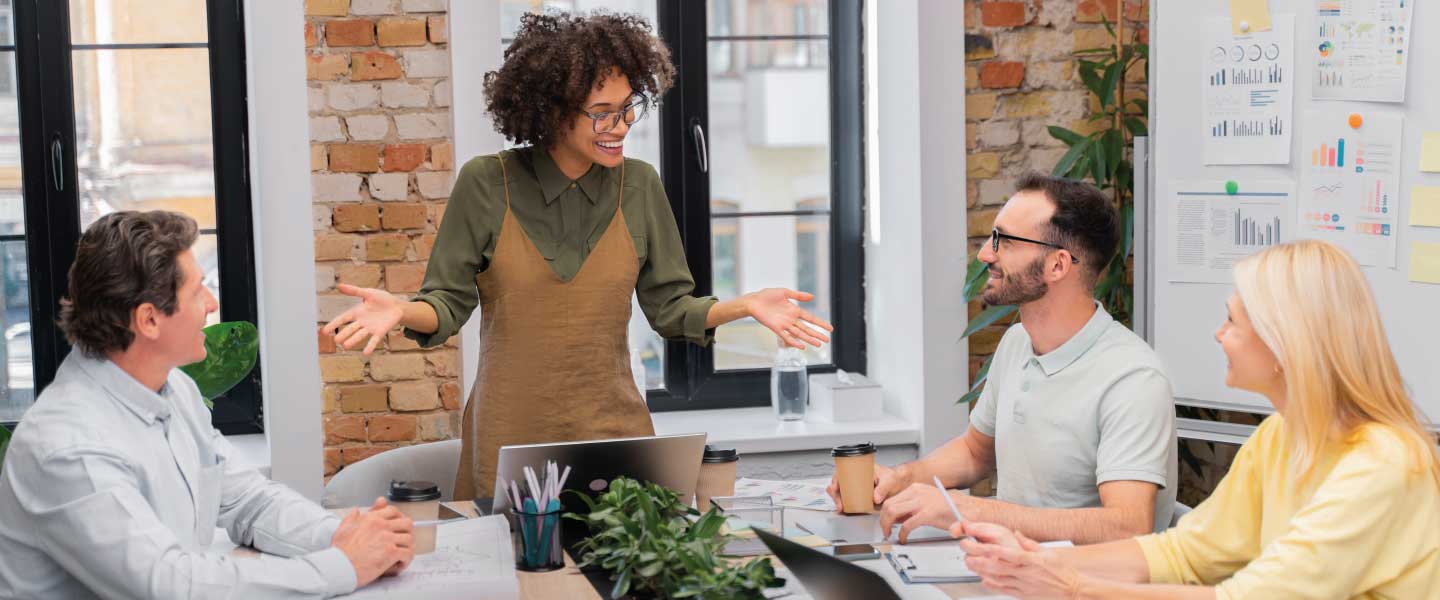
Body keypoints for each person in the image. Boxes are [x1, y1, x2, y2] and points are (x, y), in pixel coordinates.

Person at [320, 12, 832, 500]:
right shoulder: (487, 183)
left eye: (629, 107)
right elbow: (446, 304)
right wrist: (400, 309)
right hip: (508, 437)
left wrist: (745, 305)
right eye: (602, 113)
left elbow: (673, 311)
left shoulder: (640, 187)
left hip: (615, 433)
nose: (622, 126)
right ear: (553, 110)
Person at [957, 240, 1440, 599]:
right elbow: (1185, 553)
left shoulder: (1385, 465)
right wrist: (1036, 560)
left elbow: (1251, 598)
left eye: (1232, 322)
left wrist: (1073, 586)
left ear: (1283, 344)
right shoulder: (1281, 436)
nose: (1218, 334)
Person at [0, 211, 414, 598]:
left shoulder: (173, 389)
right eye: (198, 290)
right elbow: (171, 585)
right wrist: (343, 564)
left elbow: (247, 499)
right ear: (149, 319)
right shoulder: (66, 447)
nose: (213, 304)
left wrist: (350, 536)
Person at [829, 173, 1177, 545]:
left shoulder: (1133, 379)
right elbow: (976, 452)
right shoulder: (1017, 342)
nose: (985, 254)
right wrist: (901, 479)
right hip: (1010, 570)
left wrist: (971, 510)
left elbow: (1126, 526)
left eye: (1005, 241)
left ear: (1057, 266)